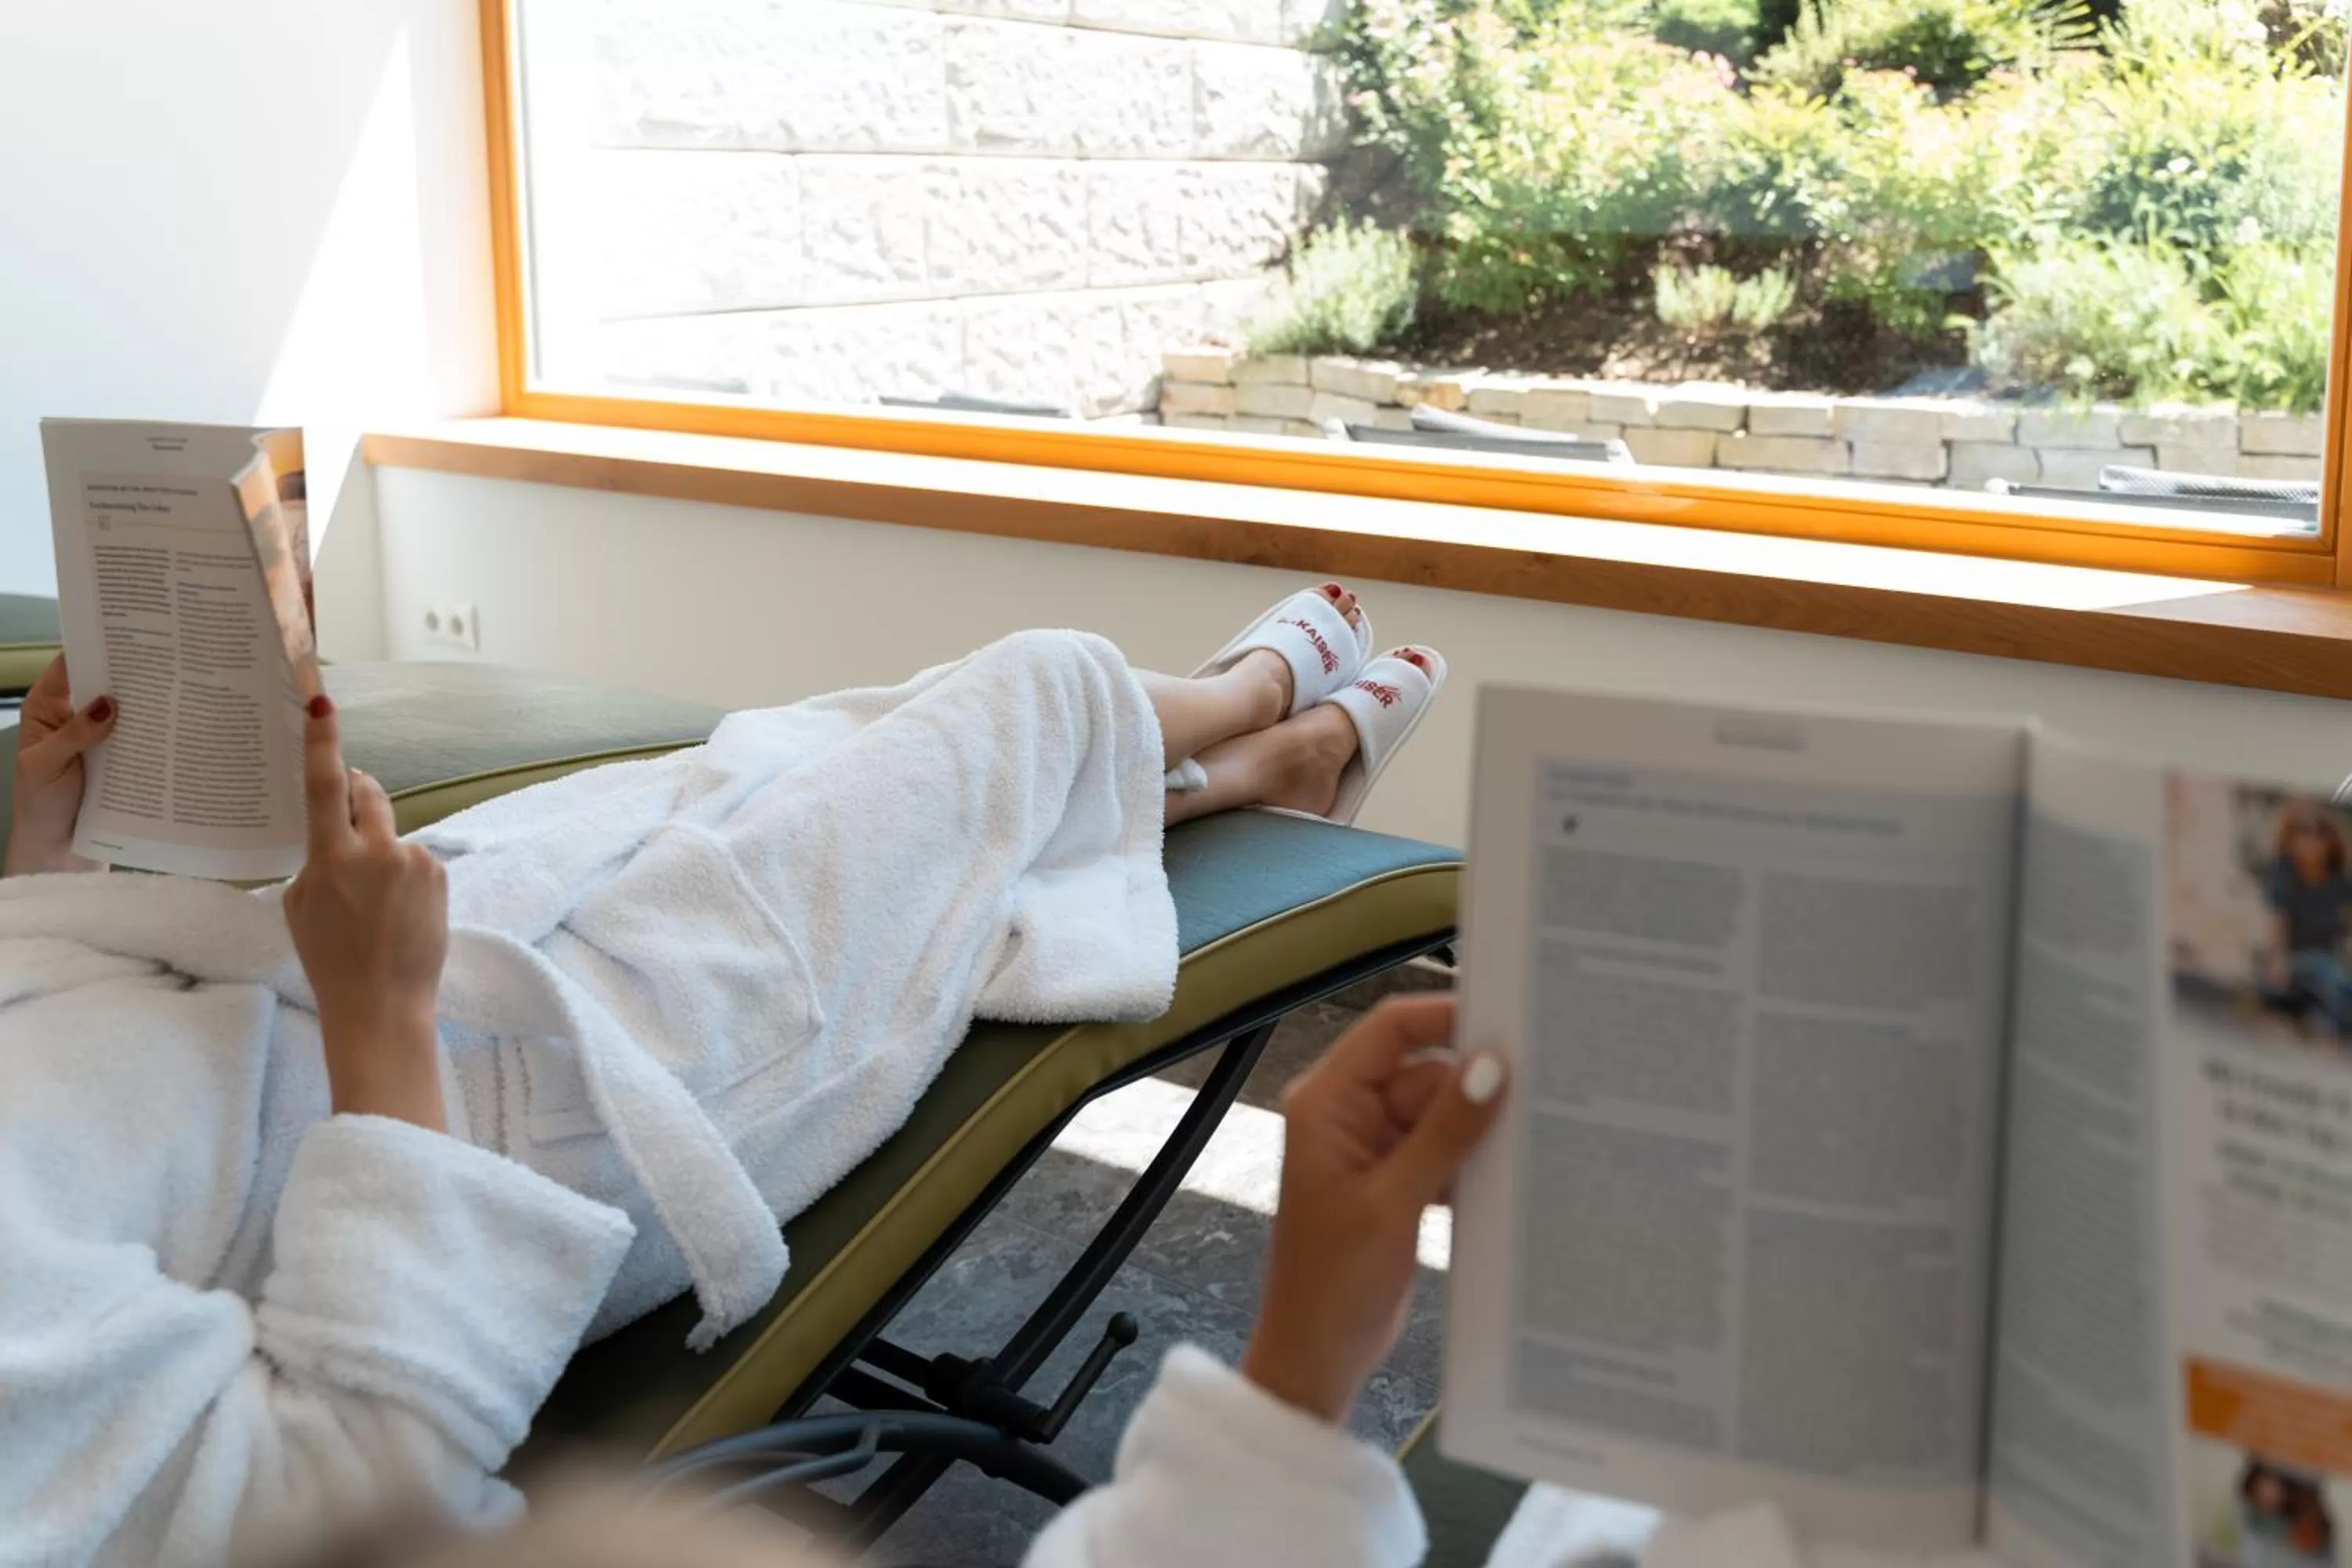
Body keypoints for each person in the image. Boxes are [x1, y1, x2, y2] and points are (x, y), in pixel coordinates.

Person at [0, 584, 1450, 1565]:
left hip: (331, 976)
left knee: (820, 740)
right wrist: (384, 1016)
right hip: (521, 1100)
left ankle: (1244, 767)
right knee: (1028, 691)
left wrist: (45, 852)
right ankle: (1257, 718)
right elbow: (356, 1501)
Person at [2259, 801, 2352, 1040]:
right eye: (2300, 833)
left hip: (2327, 969)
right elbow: (2279, 920)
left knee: (2336, 983)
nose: (2309, 841)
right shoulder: (2283, 873)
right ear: (2289, 839)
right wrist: (2277, 962)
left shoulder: (2339, 882)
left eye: (2317, 834)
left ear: (2330, 840)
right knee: (2326, 973)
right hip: (2290, 964)